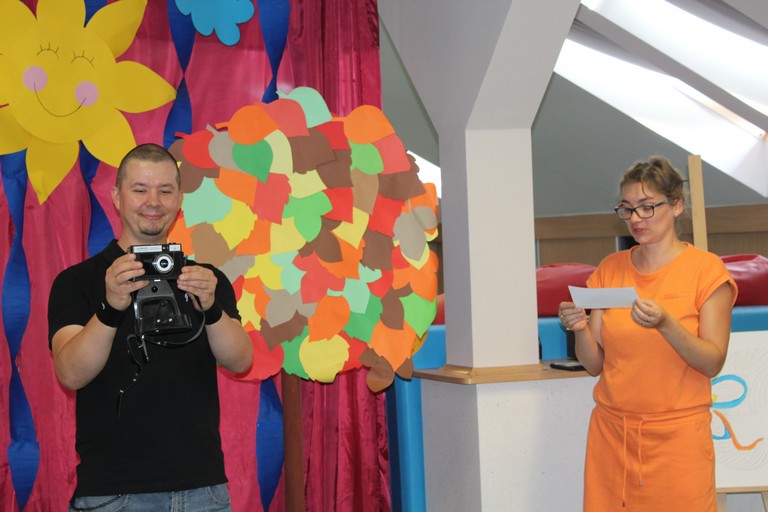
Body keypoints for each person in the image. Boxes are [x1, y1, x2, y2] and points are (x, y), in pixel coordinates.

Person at [48, 143, 253, 511]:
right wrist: (110, 308)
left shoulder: (206, 279)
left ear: (179, 199)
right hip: (113, 492)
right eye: (140, 189)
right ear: (117, 197)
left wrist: (211, 308)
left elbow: (241, 360)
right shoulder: (78, 282)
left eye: (165, 190)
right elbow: (70, 373)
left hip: (202, 489)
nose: (153, 202)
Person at [558, 156, 737, 511]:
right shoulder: (610, 268)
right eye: (626, 209)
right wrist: (579, 328)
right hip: (613, 435)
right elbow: (594, 364)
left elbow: (712, 361)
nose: (636, 219)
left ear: (676, 206)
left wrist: (666, 324)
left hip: (679, 439)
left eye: (646, 207)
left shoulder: (706, 271)